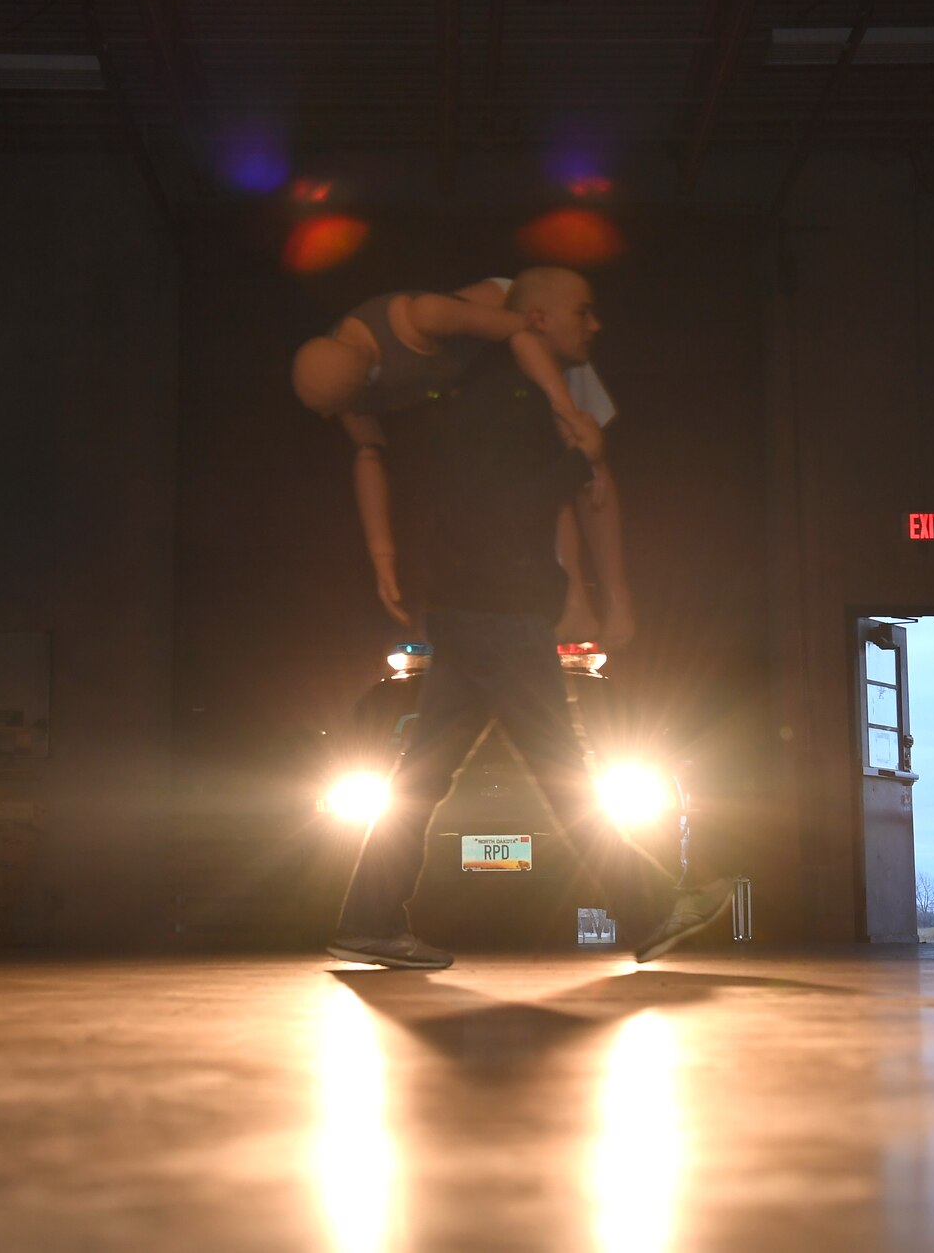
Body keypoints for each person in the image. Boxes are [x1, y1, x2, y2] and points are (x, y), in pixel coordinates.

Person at [327, 269, 731, 969]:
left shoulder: (492, 388)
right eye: (584, 310)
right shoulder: (506, 396)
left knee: (426, 775)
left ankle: (368, 918)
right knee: (560, 766)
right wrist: (579, 461)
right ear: (536, 320)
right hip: (496, 608)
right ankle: (652, 908)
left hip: (472, 606)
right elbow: (504, 505)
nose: (595, 323)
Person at [292, 269, 638, 647]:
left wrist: (566, 411)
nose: (336, 417)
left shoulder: (420, 317)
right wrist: (382, 560)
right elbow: (369, 454)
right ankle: (575, 607)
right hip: (483, 359)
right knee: (534, 466)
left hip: (523, 320)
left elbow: (519, 329)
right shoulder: (341, 374)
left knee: (574, 446)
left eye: (340, 407)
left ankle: (616, 604)